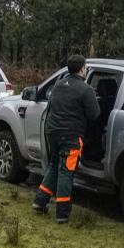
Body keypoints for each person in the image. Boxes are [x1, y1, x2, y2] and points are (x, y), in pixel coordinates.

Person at [34, 55, 100, 223]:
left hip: (52, 132)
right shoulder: (86, 90)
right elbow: (94, 114)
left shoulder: (58, 84)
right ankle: (62, 213)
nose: (85, 69)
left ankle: (40, 201)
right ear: (82, 69)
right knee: (66, 171)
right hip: (70, 136)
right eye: (85, 67)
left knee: (55, 165)